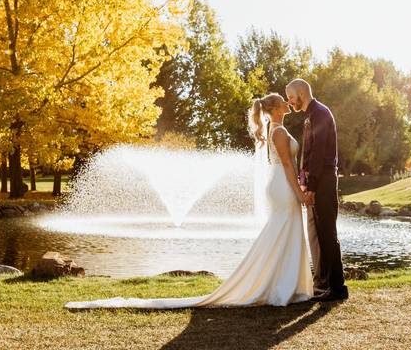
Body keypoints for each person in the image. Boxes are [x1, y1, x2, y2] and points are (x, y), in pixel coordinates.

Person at [65, 93, 313, 309]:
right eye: (284, 101)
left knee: (283, 232)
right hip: (283, 186)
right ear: (275, 108)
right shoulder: (278, 132)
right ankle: (282, 288)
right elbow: (288, 165)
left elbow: (290, 165)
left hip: (282, 184)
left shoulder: (276, 130)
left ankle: (283, 285)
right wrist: (300, 193)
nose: (287, 103)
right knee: (283, 231)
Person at [285, 78, 348, 301]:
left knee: (327, 233)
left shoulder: (320, 113)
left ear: (302, 93)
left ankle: (338, 288)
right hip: (315, 181)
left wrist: (311, 187)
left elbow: (320, 153)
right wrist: (304, 181)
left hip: (324, 181)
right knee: (317, 235)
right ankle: (322, 284)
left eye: (291, 97)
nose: (289, 102)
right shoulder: (309, 116)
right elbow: (309, 155)